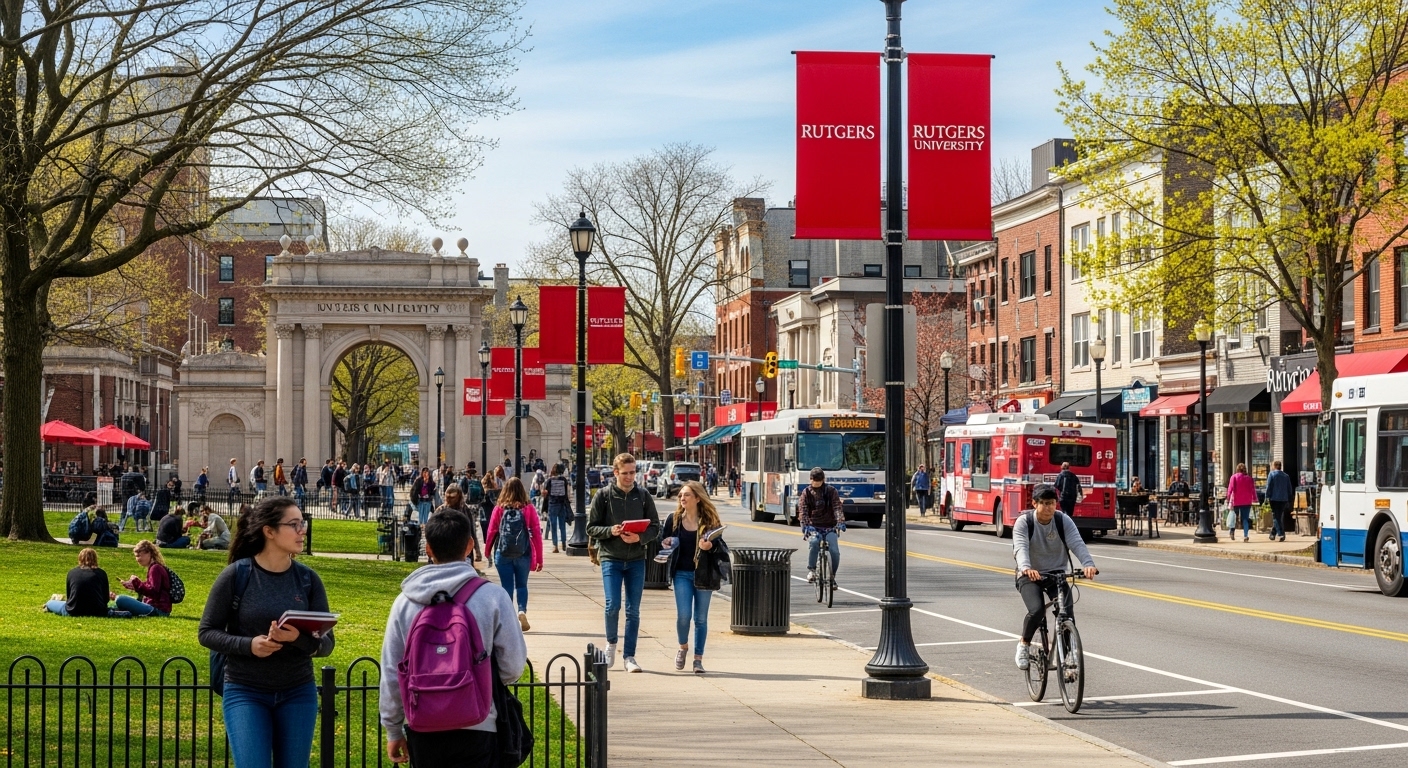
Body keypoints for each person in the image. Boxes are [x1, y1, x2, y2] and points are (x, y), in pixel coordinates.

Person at [378, 507, 527, 767]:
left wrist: (392, 728)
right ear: (469, 545)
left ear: (428, 549)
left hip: (424, 724)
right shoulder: (492, 597)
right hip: (480, 722)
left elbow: (392, 670)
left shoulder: (405, 602)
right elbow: (513, 667)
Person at [199, 497, 334, 768]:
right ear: (269, 531)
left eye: (302, 523)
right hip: (245, 691)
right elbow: (207, 632)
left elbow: (326, 644)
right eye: (293, 524)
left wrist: (296, 638)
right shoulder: (237, 575)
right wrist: (250, 645)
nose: (302, 530)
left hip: (298, 691)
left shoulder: (308, 580)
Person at [586, 453, 661, 673]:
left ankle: (630, 656)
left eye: (633, 472)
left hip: (636, 558)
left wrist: (641, 538)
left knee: (633, 610)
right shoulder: (604, 496)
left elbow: (655, 526)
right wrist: (611, 530)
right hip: (611, 557)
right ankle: (610, 644)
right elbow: (591, 528)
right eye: (626, 473)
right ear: (616, 472)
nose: (630, 477)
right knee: (612, 605)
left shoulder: (644, 496)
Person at [1013, 484, 1097, 671]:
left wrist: (1088, 564)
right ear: (1034, 504)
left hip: (1056, 575)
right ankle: (1024, 644)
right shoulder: (1024, 522)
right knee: (1037, 611)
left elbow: (1077, 542)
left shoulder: (1062, 520)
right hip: (1030, 575)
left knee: (1067, 614)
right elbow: (1020, 548)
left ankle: (1068, 660)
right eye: (1044, 503)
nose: (1049, 507)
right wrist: (1026, 568)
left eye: (1052, 503)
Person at [662, 481, 727, 674]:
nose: (682, 498)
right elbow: (663, 541)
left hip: (703, 574)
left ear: (697, 498)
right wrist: (665, 543)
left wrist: (710, 546)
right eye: (681, 495)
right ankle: (683, 647)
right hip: (681, 573)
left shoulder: (709, 521)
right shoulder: (673, 520)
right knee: (684, 616)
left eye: (687, 495)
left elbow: (721, 545)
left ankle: (698, 660)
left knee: (700, 619)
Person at [484, 477, 543, 632]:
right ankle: (522, 611)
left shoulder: (499, 508)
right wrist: (539, 559)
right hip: (523, 553)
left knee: (506, 586)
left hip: (503, 553)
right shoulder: (528, 508)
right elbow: (536, 532)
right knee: (522, 585)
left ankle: (508, 618)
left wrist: (487, 550)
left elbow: (491, 531)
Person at [45, 547, 132, 617]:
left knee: (50, 603)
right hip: (98, 610)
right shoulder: (101, 573)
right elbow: (105, 598)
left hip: (74, 610)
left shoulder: (72, 572)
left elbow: (70, 596)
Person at [798, 468, 844, 586]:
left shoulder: (831, 491)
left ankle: (832, 576)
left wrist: (840, 520)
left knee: (834, 551)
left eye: (819, 480)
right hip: (813, 526)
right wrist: (805, 524)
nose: (817, 483)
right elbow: (803, 509)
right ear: (810, 479)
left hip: (830, 526)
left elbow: (837, 506)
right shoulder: (806, 493)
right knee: (814, 543)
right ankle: (812, 570)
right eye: (814, 480)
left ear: (823, 480)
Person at [113, 540, 173, 617]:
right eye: (136, 556)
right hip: (155, 607)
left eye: (139, 555)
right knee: (122, 600)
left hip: (157, 609)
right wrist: (134, 586)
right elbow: (150, 587)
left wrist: (136, 582)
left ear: (149, 553)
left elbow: (153, 592)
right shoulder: (154, 567)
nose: (138, 559)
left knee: (120, 599)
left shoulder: (155, 568)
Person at [435, 485, 483, 564]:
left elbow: (472, 530)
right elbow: (433, 532)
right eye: (448, 497)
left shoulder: (465, 510)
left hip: (463, 548)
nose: (450, 500)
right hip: (445, 548)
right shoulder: (440, 510)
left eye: (452, 498)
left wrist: (477, 550)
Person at [543, 463, 572, 553]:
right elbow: (567, 492)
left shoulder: (550, 480)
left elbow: (545, 493)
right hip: (562, 504)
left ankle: (555, 546)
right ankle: (563, 542)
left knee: (553, 525)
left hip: (553, 504)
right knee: (562, 525)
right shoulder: (564, 480)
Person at [1227, 463, 1258, 542]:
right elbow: (1253, 490)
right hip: (1247, 501)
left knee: (1234, 517)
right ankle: (1246, 535)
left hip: (1236, 501)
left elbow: (1230, 489)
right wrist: (1255, 498)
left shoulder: (1234, 477)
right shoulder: (1249, 479)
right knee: (1245, 519)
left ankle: (1232, 532)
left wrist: (1228, 498)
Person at [1266, 460, 1293, 542]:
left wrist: (1267, 497)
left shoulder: (1272, 474)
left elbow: (1269, 486)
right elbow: (1289, 488)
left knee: (1275, 516)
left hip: (1274, 498)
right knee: (1278, 516)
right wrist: (1289, 498)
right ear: (1280, 466)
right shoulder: (1286, 476)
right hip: (1283, 499)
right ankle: (1273, 534)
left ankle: (1281, 534)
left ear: (1274, 466)